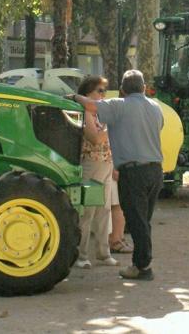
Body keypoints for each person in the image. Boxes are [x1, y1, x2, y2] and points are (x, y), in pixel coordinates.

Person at [72, 70, 164, 281]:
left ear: (122, 89)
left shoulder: (119, 105)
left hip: (134, 172)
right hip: (155, 170)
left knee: (137, 221)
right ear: (143, 87)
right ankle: (142, 263)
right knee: (144, 221)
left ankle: (142, 267)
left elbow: (90, 105)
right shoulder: (155, 107)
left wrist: (74, 97)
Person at [74, 76, 119, 269]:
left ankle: (103, 252)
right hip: (92, 165)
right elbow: (95, 138)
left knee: (104, 210)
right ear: (88, 94)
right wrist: (114, 129)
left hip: (106, 164)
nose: (103, 95)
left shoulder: (101, 114)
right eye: (99, 91)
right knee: (88, 213)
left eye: (104, 91)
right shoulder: (86, 113)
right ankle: (81, 255)